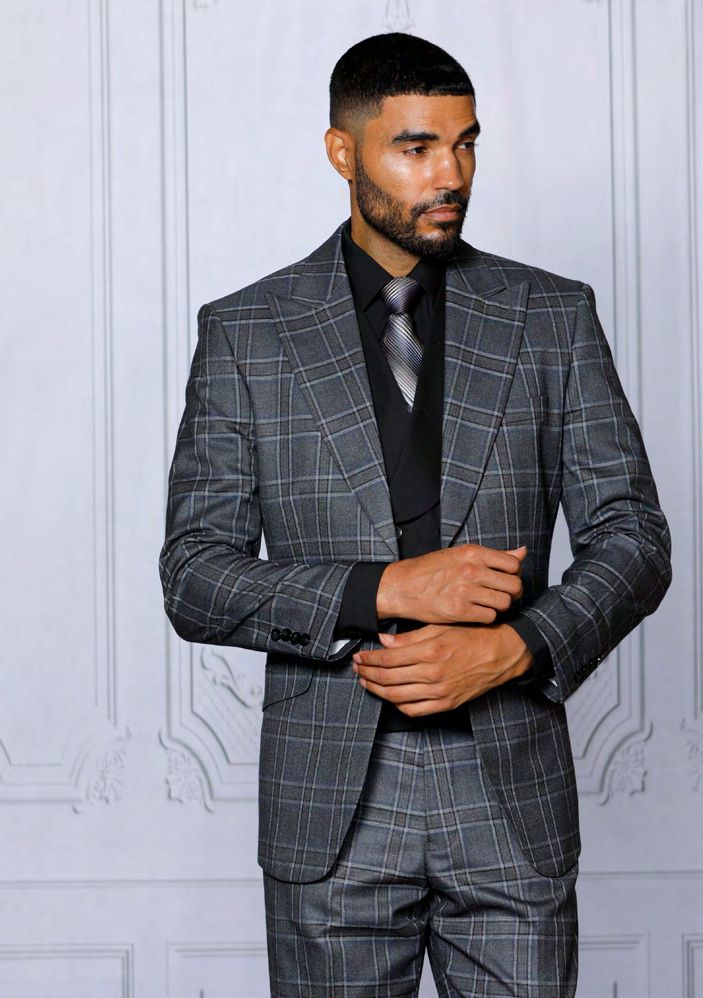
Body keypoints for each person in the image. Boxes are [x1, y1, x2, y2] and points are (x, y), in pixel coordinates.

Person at [158, 31, 671, 997]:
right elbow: (193, 573)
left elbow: (634, 540)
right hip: (332, 810)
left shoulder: (548, 315)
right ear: (341, 151)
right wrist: (382, 587)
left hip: (509, 796)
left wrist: (515, 648)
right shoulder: (247, 332)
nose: (451, 175)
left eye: (466, 144)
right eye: (417, 147)